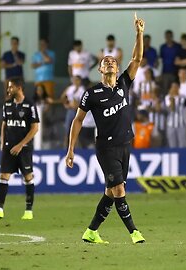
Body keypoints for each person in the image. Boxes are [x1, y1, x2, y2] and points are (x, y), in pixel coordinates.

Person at [65, 12, 146, 244]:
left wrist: (139, 34)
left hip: (125, 146)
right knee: (119, 190)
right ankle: (134, 233)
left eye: (113, 61)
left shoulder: (123, 83)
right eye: (105, 62)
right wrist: (70, 149)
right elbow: (78, 120)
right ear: (100, 69)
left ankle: (91, 231)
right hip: (106, 148)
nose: (109, 62)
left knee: (111, 192)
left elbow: (137, 59)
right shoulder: (91, 93)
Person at [0, 77, 40, 220]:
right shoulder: (7, 104)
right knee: (3, 176)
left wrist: (21, 145)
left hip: (24, 148)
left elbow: (35, 128)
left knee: (28, 177)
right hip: (8, 148)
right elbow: (4, 124)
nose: (8, 90)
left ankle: (28, 211)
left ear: (19, 88)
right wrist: (3, 143)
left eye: (11, 87)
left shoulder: (30, 105)